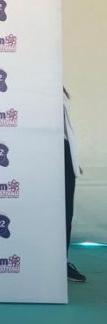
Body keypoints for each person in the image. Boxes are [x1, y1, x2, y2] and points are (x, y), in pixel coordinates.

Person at [64, 87, 86, 283]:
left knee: (66, 212)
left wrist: (73, 160)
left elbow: (66, 130)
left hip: (63, 154)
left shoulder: (58, 88)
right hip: (44, 152)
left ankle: (61, 262)